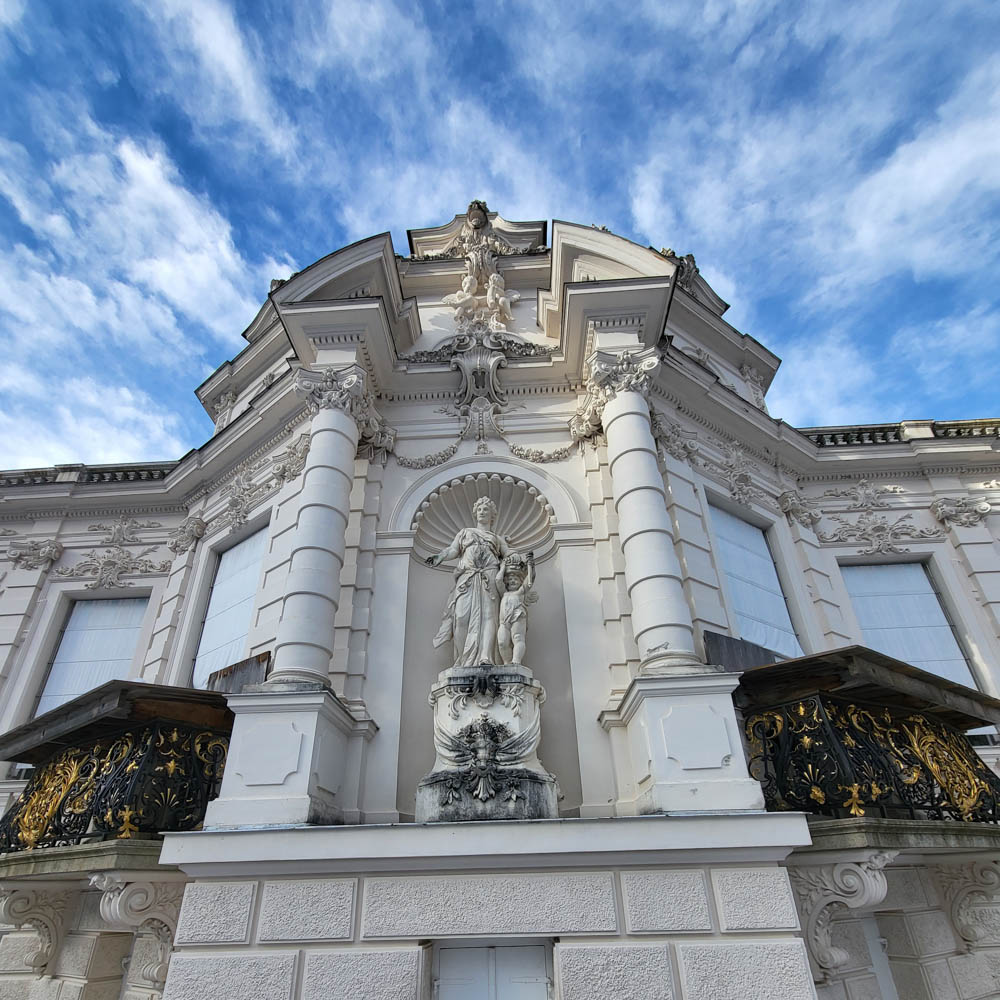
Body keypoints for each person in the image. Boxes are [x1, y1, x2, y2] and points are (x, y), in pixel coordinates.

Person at [427, 496, 509, 668]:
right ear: (475, 513)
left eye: (486, 509)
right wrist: (440, 556)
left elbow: (509, 554)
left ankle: (485, 657)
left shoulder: (497, 538)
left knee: (489, 617)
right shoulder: (465, 532)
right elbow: (453, 550)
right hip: (467, 578)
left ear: (492, 515)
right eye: (479, 509)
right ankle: (463, 661)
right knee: (461, 618)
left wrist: (518, 558)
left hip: (489, 577)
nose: (482, 512)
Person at [496, 551, 537, 665]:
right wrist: (503, 567)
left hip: (518, 616)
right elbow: (498, 580)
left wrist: (530, 565)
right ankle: (507, 663)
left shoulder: (519, 592)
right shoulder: (503, 593)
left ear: (520, 581)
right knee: (502, 642)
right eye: (510, 579)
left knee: (518, 638)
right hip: (504, 622)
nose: (512, 581)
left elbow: (530, 580)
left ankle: (516, 661)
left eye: (515, 579)